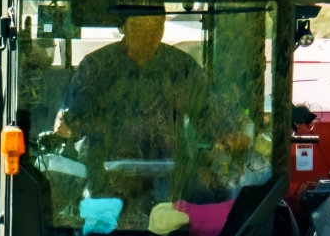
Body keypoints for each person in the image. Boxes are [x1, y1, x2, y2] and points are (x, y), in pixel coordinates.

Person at [54, 14, 251, 162]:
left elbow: (208, 112)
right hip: (107, 175)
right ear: (124, 26)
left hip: (168, 174)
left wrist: (229, 134)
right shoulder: (96, 67)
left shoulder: (182, 67)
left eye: (157, 25)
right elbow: (72, 118)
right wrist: (67, 125)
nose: (149, 33)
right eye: (140, 25)